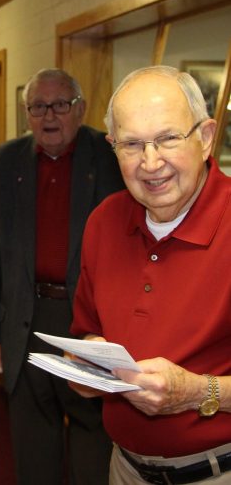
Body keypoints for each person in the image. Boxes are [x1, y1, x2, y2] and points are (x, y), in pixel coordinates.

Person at [70, 65, 231, 484]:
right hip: (124, 468)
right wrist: (88, 361)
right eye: (132, 144)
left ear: (206, 137)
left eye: (168, 138)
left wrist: (195, 392)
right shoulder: (104, 221)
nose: (151, 162)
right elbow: (87, 329)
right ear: (112, 147)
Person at [0, 68, 124, 484]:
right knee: (33, 448)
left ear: (81, 109)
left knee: (93, 447)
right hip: (26, 321)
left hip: (91, 325)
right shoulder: (0, 163)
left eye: (60, 104)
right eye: (38, 107)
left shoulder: (112, 157)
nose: (49, 116)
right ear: (26, 114)